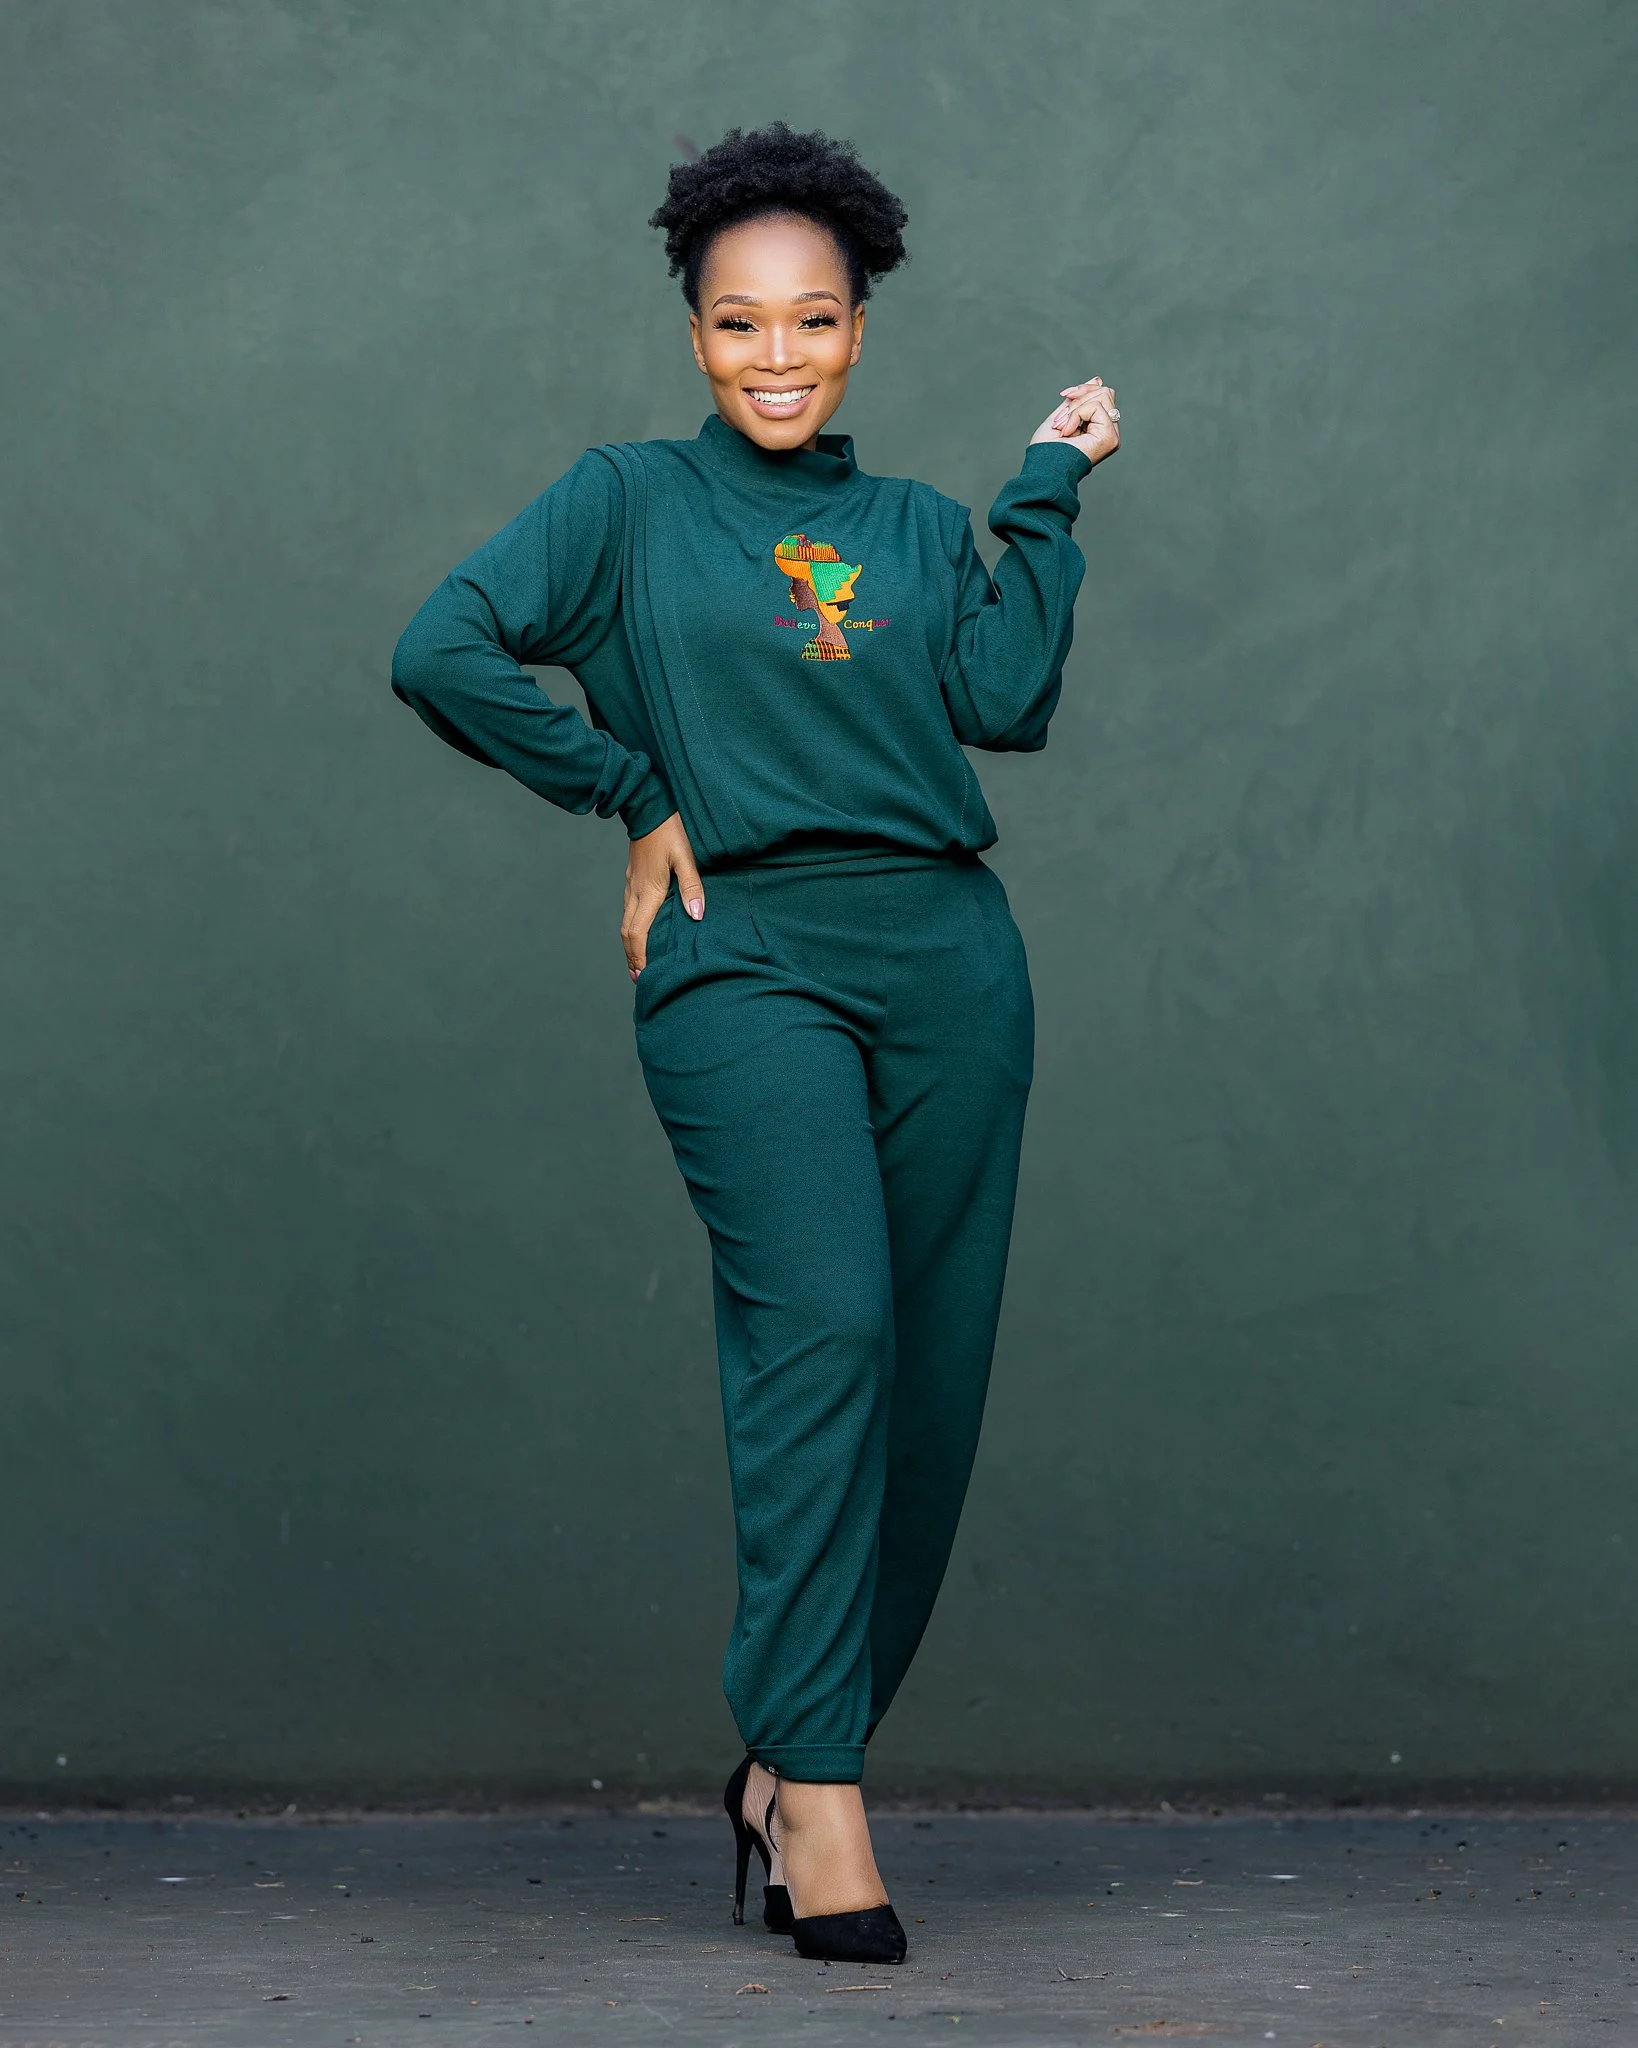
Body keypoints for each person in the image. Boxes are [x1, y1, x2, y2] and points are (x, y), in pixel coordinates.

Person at [391, 121, 1119, 1964]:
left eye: (812, 320)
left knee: (931, 1380)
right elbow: (445, 646)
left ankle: (791, 1758)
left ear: (861, 327)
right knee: (831, 1331)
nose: (775, 357)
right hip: (742, 954)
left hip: (949, 958)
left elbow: (1003, 697)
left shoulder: (906, 524)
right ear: (692, 334)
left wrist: (1043, 485)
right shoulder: (627, 501)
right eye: (737, 324)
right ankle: (820, 1793)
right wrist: (627, 787)